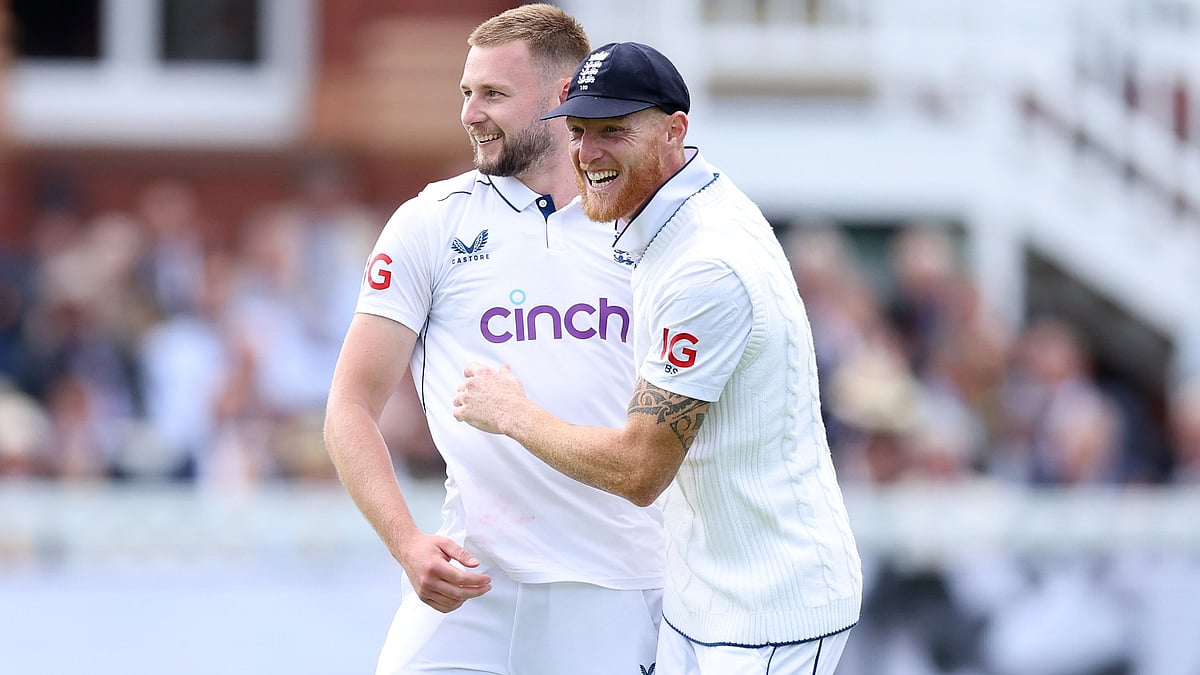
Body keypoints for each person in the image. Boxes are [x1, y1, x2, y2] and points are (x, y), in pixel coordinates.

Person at [453, 41, 863, 674]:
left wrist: (510, 413)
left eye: (614, 131)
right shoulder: (685, 206)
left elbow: (640, 471)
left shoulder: (704, 264)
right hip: (702, 599)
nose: (587, 154)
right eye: (580, 131)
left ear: (675, 131)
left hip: (770, 611)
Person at [323, 8, 663, 675]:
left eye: (493, 95)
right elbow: (348, 407)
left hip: (618, 591)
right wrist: (408, 542)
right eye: (465, 92)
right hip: (468, 589)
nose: (470, 113)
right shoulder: (429, 224)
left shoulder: (652, 228)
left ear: (565, 96)